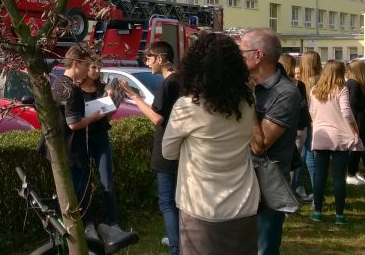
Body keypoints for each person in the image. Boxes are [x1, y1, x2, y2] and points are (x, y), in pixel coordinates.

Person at [162, 32, 260, 255]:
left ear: (194, 68)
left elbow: (168, 152)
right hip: (243, 204)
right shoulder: (247, 102)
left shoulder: (187, 106)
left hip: (200, 206)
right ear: (236, 68)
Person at [241, 28, 302, 255]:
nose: (238, 57)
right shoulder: (247, 84)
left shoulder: (286, 94)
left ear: (257, 55)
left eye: (241, 52)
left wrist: (246, 99)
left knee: (263, 249)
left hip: (266, 185)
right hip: (240, 180)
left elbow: (260, 145)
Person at [120, 41, 181, 255]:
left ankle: (176, 247)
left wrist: (134, 96)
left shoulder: (167, 84)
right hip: (183, 146)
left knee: (167, 202)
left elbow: (156, 118)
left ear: (161, 59)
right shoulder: (182, 79)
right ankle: (180, 240)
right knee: (180, 201)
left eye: (149, 58)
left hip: (166, 149)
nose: (146, 62)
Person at [42, 45, 104, 241]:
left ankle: (68, 234)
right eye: (86, 65)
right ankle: (78, 237)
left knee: (66, 196)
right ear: (76, 64)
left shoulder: (57, 82)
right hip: (72, 152)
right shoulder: (73, 89)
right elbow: (74, 123)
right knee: (76, 196)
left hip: (57, 149)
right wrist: (93, 117)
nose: (87, 70)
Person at [78, 56, 138, 250]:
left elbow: (108, 116)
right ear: (85, 67)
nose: (96, 71)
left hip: (101, 138)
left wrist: (111, 101)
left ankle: (113, 224)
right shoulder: (76, 90)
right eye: (93, 67)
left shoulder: (105, 89)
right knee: (84, 184)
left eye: (99, 67)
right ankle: (89, 226)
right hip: (83, 140)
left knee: (107, 183)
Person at [308, 61, 362, 225]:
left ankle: (317, 212)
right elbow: (346, 112)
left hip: (320, 136)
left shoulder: (314, 90)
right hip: (339, 137)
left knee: (320, 176)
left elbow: (311, 112)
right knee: (338, 177)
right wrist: (355, 129)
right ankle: (339, 215)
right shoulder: (341, 90)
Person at [279, 54, 312, 201]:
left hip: (280, 126)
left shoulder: (275, 85)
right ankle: (293, 192)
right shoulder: (298, 85)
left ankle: (286, 194)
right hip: (298, 127)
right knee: (294, 161)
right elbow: (303, 107)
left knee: (282, 162)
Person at [297, 51, 321, 193]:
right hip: (315, 121)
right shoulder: (320, 80)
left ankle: (299, 185)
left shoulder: (301, 81)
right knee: (310, 155)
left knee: (302, 155)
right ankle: (315, 189)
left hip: (304, 121)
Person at [345, 60, 365, 185]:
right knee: (356, 147)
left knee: (359, 146)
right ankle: (351, 174)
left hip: (358, 117)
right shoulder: (354, 83)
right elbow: (353, 102)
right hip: (357, 118)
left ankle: (353, 172)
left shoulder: (353, 82)